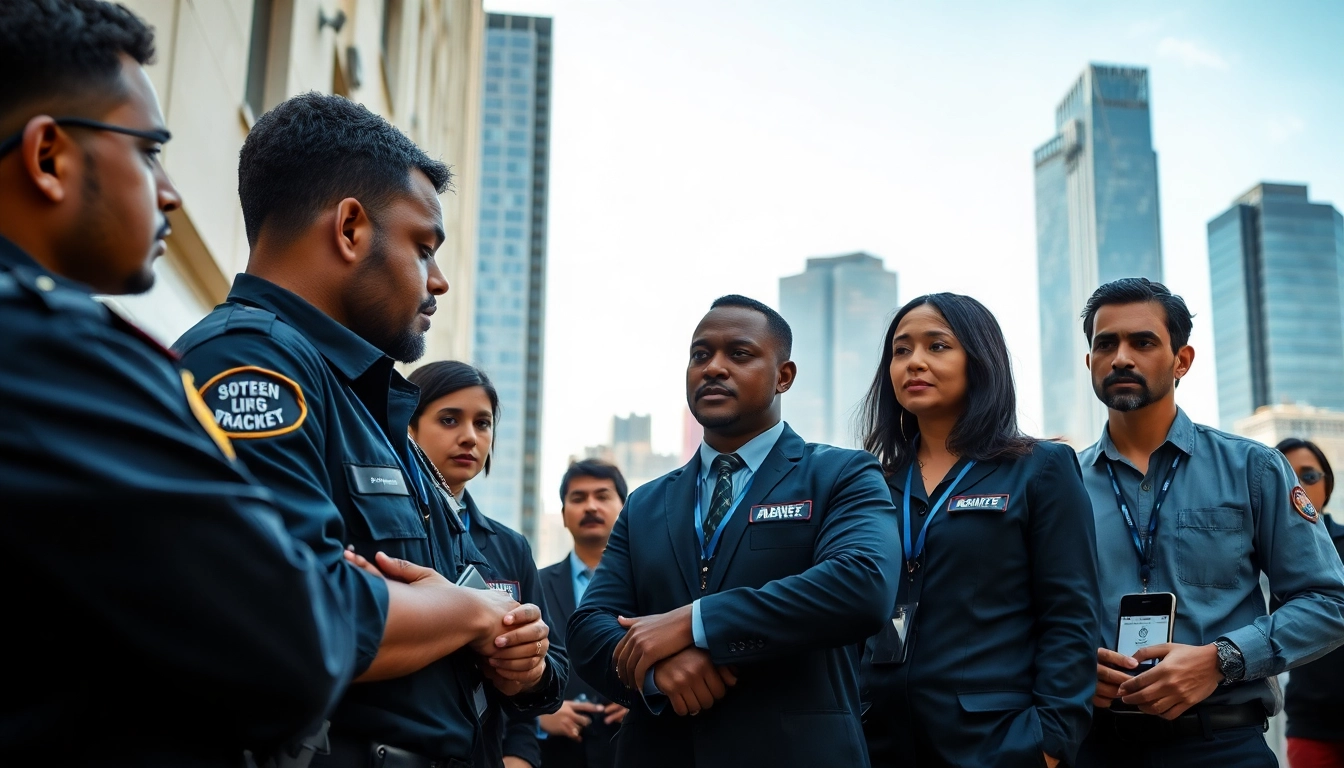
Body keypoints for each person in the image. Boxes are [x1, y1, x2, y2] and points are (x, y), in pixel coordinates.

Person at [0, 2, 356, 765]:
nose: (171, 192)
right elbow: (294, 644)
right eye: (149, 151)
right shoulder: (49, 349)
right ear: (49, 156)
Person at [173, 92, 564, 768]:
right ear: (351, 228)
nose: (437, 281)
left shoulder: (366, 403)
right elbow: (295, 621)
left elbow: (416, 622)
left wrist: (514, 655)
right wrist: (473, 614)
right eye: (423, 246)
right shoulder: (250, 363)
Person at [568, 294, 901, 768]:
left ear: (784, 376)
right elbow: (588, 627)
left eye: (738, 354)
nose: (713, 368)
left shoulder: (841, 474)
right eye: (700, 355)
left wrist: (694, 622)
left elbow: (861, 584)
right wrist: (657, 673)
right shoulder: (646, 502)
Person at [1074, 278, 1344, 768]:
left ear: (1182, 360)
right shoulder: (1059, 483)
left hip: (1221, 746)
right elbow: (1021, 612)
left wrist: (1220, 660)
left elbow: (1330, 602)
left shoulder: (1253, 469)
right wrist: (1068, 666)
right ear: (1089, 361)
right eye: (1105, 343)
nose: (1121, 358)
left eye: (1143, 341)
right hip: (1092, 746)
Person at [858, 293, 1102, 768]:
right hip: (878, 742)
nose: (915, 362)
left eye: (938, 346)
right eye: (901, 350)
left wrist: (1050, 742)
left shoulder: (1041, 468)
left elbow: (1070, 616)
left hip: (998, 744)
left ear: (980, 360)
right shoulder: (870, 481)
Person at [406, 360, 566, 768]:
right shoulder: (386, 529)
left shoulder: (510, 546)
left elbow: (550, 677)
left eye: (483, 423)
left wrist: (531, 668)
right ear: (407, 425)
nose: (469, 437)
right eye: (448, 419)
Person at [537, 459, 634, 768]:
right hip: (555, 755)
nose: (590, 506)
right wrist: (539, 717)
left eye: (602, 495)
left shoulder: (651, 584)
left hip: (629, 751)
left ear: (624, 508)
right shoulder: (534, 585)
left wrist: (646, 705)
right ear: (564, 514)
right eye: (578, 498)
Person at [1275, 439, 1344, 768]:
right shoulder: (1259, 558)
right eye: (1288, 476)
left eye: (1309, 476)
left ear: (1327, 485)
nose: (1298, 487)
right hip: (1310, 724)